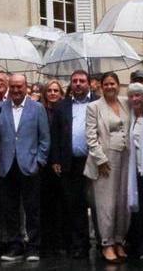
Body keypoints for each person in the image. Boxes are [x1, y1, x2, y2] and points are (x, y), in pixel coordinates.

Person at [0, 73, 50, 262]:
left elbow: (44, 139)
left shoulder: (37, 108)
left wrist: (40, 161)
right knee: (10, 209)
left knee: (32, 209)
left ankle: (34, 247)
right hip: (7, 165)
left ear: (25, 87)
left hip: (29, 165)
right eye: (12, 86)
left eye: (19, 86)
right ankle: (15, 245)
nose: (15, 90)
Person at [50, 69, 98, 259]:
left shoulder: (97, 102)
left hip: (94, 160)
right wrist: (55, 159)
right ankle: (80, 245)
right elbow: (54, 134)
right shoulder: (62, 106)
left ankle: (105, 242)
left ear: (88, 83)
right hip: (70, 162)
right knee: (75, 205)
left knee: (97, 204)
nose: (78, 84)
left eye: (82, 81)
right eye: (75, 81)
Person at [84, 72, 131, 262]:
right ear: (101, 87)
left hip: (126, 157)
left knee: (123, 202)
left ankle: (119, 240)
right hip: (104, 160)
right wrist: (100, 159)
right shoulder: (93, 107)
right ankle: (106, 243)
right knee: (106, 203)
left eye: (113, 83)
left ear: (118, 85)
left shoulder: (125, 102)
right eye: (106, 84)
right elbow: (90, 136)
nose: (110, 87)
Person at [125, 81, 143, 261]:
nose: (135, 99)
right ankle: (142, 244)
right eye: (132, 96)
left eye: (138, 95)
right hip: (134, 171)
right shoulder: (130, 117)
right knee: (140, 210)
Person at [39, 80, 65, 257]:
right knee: (45, 205)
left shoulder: (64, 110)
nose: (53, 93)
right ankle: (47, 242)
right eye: (50, 90)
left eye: (56, 90)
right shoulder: (40, 110)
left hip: (62, 162)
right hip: (43, 164)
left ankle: (62, 241)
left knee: (61, 204)